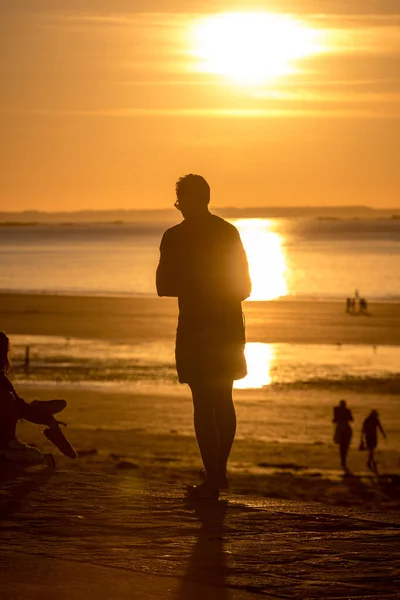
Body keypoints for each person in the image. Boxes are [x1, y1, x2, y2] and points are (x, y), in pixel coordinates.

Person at [156, 174, 251, 498]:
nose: (179, 208)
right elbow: (245, 288)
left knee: (203, 402)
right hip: (228, 327)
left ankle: (213, 475)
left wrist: (195, 284)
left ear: (185, 202)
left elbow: (163, 287)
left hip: (196, 328)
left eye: (179, 202)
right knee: (223, 399)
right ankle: (218, 472)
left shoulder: (174, 237)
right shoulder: (228, 232)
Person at [0, 331, 75, 466]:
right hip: (6, 444)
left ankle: (50, 423)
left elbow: (21, 408)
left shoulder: (3, 382)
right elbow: (21, 408)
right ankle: (51, 426)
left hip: (7, 442)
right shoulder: (3, 384)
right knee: (37, 457)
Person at [361, 409, 386, 473]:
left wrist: (361, 438)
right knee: (371, 449)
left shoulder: (369, 419)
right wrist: (383, 434)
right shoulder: (372, 420)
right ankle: (369, 461)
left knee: (372, 449)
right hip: (370, 436)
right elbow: (380, 427)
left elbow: (363, 429)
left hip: (371, 436)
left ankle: (370, 460)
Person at [333, 399, 353, 473]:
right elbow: (351, 419)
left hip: (341, 430)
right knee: (345, 447)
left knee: (342, 447)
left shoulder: (337, 411)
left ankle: (343, 461)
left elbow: (334, 420)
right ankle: (343, 461)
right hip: (346, 430)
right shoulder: (346, 411)